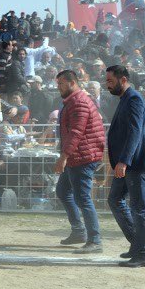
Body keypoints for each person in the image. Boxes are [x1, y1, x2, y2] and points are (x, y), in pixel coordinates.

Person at [104, 65, 145, 268]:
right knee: (115, 200)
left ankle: (144, 253)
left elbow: (135, 132)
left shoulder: (134, 99)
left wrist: (124, 161)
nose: (107, 84)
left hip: (134, 163)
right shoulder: (126, 99)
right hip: (125, 163)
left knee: (139, 208)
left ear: (123, 79)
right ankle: (137, 244)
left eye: (110, 81)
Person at [54, 70, 106, 253]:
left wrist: (63, 157)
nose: (58, 87)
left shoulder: (79, 102)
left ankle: (95, 240)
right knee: (63, 191)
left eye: (60, 83)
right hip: (78, 155)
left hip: (82, 156)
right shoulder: (75, 101)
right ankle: (79, 231)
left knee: (83, 198)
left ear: (72, 82)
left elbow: (76, 132)